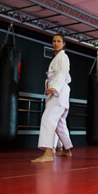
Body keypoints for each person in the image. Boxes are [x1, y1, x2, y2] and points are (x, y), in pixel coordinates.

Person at [32, 34, 73, 163]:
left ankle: (48, 152)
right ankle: (67, 150)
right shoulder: (57, 58)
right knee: (59, 123)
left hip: (58, 92)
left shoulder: (63, 57)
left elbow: (61, 74)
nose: (56, 43)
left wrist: (54, 87)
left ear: (64, 43)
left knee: (48, 119)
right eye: (54, 41)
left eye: (59, 41)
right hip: (59, 92)